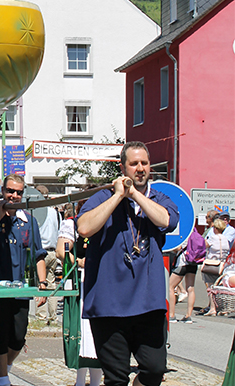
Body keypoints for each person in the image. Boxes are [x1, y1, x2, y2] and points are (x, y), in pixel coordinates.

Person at [77, 141, 179, 386]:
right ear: (123, 167)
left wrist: (134, 194)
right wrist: (118, 196)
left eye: (144, 163)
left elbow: (166, 220)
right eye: (134, 164)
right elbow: (84, 227)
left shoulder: (159, 198)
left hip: (148, 303)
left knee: (155, 369)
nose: (140, 168)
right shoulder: (102, 197)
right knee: (116, 378)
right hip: (108, 305)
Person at [0, 173, 48, 386]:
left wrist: (43, 283)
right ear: (2, 192)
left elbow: (38, 255)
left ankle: (3, 371)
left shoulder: (29, 221)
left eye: (18, 192)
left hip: (20, 288)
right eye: (10, 191)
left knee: (18, 338)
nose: (14, 196)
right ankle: (3, 379)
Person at [57, 200, 103, 386]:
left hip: (103, 283)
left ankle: (96, 382)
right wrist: (79, 261)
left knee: (100, 333)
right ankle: (79, 381)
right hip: (81, 282)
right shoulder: (72, 224)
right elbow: (62, 251)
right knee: (83, 332)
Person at [35, 184, 60, 324]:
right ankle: (53, 316)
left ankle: (41, 316)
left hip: (42, 251)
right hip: (53, 250)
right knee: (51, 283)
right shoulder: (54, 211)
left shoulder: (39, 212)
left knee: (41, 282)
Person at [168, 227, 204, 324]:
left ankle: (171, 315)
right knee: (190, 289)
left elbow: (178, 248)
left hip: (183, 261)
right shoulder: (195, 232)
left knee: (170, 286)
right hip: (193, 262)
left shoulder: (183, 232)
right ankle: (188, 316)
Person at [201, 217, 230, 316]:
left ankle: (212, 308)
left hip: (212, 264)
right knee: (220, 287)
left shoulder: (213, 238)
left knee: (211, 287)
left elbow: (204, 246)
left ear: (215, 228)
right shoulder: (225, 239)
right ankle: (222, 308)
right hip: (222, 265)